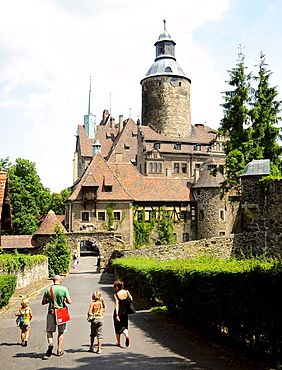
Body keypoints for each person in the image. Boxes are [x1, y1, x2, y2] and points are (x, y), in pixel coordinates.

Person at [42, 275, 72, 357]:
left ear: (53, 281)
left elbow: (43, 302)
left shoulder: (48, 290)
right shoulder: (64, 289)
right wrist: (64, 299)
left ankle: (50, 343)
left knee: (49, 331)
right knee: (61, 332)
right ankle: (59, 350)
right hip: (61, 313)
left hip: (51, 312)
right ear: (60, 280)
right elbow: (69, 302)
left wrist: (51, 300)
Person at [113, 280, 133, 347]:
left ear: (117, 287)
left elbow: (117, 305)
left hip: (119, 312)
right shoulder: (126, 291)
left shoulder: (116, 294)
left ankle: (118, 342)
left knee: (117, 327)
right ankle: (127, 336)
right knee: (125, 325)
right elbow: (131, 299)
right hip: (125, 311)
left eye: (115, 286)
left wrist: (117, 315)